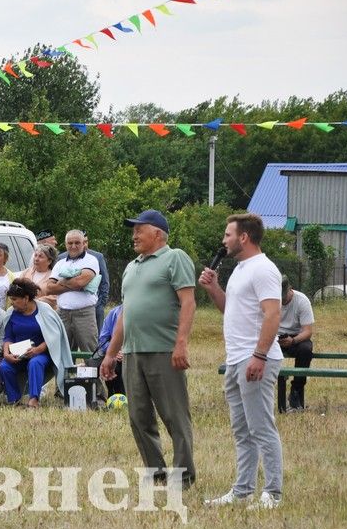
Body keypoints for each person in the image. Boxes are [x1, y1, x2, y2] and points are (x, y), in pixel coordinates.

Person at [100, 210, 197, 489]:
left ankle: (183, 476)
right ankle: (156, 473)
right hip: (132, 352)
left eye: (138, 230)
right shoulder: (132, 267)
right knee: (138, 417)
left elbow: (188, 303)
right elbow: (125, 315)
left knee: (174, 415)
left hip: (163, 350)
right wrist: (110, 354)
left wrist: (181, 343)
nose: (134, 235)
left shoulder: (174, 257)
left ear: (157, 233)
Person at [199, 213, 284, 510]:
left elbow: (273, 314)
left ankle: (272, 494)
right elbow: (231, 310)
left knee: (261, 427)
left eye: (227, 235)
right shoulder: (240, 269)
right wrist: (214, 290)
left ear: (243, 237)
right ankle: (242, 491)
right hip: (236, 359)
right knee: (242, 430)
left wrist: (259, 355)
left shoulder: (263, 269)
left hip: (255, 358)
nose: (223, 241)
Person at [0, 279, 73, 407]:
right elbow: (8, 337)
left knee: (35, 363)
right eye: (11, 299)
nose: (12, 302)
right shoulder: (11, 313)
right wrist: (6, 353)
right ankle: (14, 400)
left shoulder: (45, 310)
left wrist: (37, 350)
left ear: (26, 298)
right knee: (5, 366)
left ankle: (34, 399)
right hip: (18, 354)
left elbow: (54, 337)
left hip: (42, 353)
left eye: (15, 299)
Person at [44, 229, 100, 353]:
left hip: (84, 314)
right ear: (65, 244)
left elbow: (80, 282)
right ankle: (65, 373)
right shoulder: (60, 263)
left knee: (90, 352)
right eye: (70, 243)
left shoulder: (91, 260)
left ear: (83, 243)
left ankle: (94, 373)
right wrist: (74, 284)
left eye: (77, 242)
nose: (73, 246)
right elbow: (49, 288)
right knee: (63, 352)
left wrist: (61, 282)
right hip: (63, 314)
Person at [276, 275, 315, 412]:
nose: (281, 300)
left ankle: (296, 391)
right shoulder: (270, 300)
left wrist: (293, 340)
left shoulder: (302, 300)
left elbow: (307, 331)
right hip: (274, 336)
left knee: (306, 349)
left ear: (290, 289)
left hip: (297, 336)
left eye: (283, 296)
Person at [18, 244, 58, 310]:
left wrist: (35, 301)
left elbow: (55, 297)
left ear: (49, 261)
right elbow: (17, 288)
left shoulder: (53, 276)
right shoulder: (26, 272)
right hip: (24, 311)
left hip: (45, 313)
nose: (36, 259)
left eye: (40, 256)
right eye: (35, 255)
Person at [97, 304, 124, 396]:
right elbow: (102, 340)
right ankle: (113, 395)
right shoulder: (113, 313)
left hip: (134, 353)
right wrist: (114, 351)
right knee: (112, 364)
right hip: (116, 354)